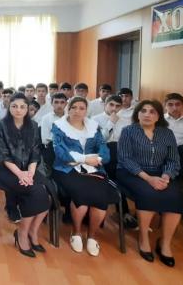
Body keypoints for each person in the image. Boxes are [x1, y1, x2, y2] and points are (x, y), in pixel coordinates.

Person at [117, 100, 183, 266]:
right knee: (148, 193)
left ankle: (165, 243)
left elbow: (173, 159)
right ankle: (144, 239)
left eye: (152, 111)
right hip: (133, 173)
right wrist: (148, 178)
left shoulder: (167, 133)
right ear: (137, 114)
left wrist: (166, 176)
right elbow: (125, 159)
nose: (147, 114)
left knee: (176, 196)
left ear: (158, 116)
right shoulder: (128, 131)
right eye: (143, 111)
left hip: (161, 173)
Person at [51, 96, 117, 257]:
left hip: (94, 168)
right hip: (66, 169)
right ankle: (76, 232)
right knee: (81, 194)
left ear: (86, 110)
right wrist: (85, 159)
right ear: (68, 108)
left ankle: (92, 236)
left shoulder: (93, 126)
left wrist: (98, 159)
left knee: (101, 196)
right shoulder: (59, 126)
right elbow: (61, 152)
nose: (77, 111)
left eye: (81, 108)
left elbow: (103, 148)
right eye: (73, 107)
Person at [0, 92, 51, 258]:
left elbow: (35, 153)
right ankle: (22, 234)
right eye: (14, 106)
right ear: (9, 108)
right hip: (7, 170)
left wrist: (30, 173)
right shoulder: (1, 126)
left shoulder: (33, 126)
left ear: (27, 109)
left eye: (22, 107)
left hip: (28, 169)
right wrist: (20, 174)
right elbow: (3, 155)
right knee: (35, 192)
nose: (18, 110)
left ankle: (33, 231)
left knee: (49, 192)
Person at [91, 94, 137, 228]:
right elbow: (100, 140)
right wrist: (111, 122)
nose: (114, 109)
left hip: (119, 156)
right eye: (111, 105)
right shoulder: (94, 120)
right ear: (105, 105)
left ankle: (125, 212)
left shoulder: (125, 121)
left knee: (120, 178)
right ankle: (120, 213)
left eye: (117, 106)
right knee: (113, 179)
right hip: (101, 156)